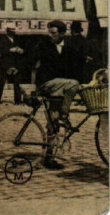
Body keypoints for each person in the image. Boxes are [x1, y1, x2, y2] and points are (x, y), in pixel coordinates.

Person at [36, 20, 82, 170]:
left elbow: (74, 67)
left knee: (53, 124)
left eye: (53, 32)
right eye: (49, 32)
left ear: (62, 33)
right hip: (47, 84)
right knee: (74, 84)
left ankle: (49, 158)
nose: (50, 35)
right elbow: (31, 59)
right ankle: (65, 114)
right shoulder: (44, 46)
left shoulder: (69, 49)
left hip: (59, 89)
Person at [0, 27, 24, 105]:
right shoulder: (2, 39)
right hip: (5, 63)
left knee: (16, 82)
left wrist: (20, 50)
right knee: (2, 81)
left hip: (15, 63)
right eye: (12, 31)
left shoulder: (17, 39)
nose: (13, 33)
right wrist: (10, 50)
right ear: (7, 31)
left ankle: (17, 100)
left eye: (14, 31)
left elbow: (22, 48)